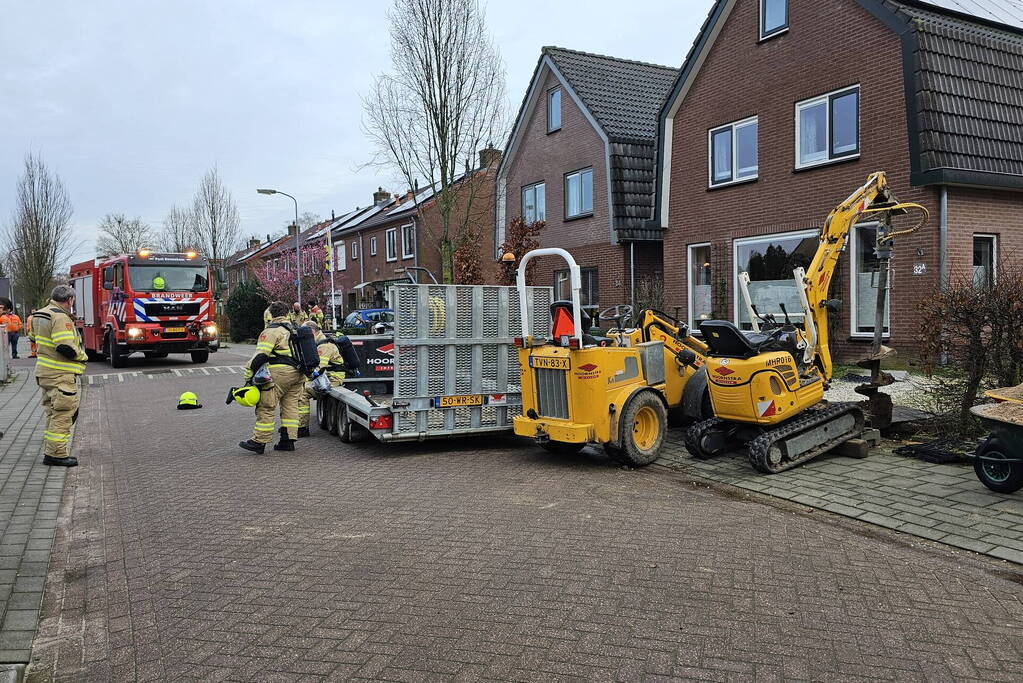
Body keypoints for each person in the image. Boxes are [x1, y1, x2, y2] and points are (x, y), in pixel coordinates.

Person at [31, 285, 87, 467]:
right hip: (60, 375)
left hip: (44, 373)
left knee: (52, 413)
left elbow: (33, 337)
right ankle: (56, 454)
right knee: (64, 414)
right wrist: (82, 356)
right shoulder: (61, 317)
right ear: (70, 300)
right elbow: (64, 347)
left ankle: (51, 449)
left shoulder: (40, 314)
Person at [239, 301, 304, 454]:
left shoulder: (271, 331)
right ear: (287, 313)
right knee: (291, 406)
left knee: (266, 405)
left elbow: (261, 356)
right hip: (298, 373)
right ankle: (288, 441)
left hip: (278, 374)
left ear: (271, 314)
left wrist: (249, 374)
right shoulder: (296, 329)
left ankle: (259, 442)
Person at [297, 320, 346, 436]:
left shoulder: (324, 346)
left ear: (312, 332)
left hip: (332, 379)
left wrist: (305, 379)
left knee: (302, 393)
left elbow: (319, 369)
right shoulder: (319, 342)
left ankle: (302, 428)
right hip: (327, 377)